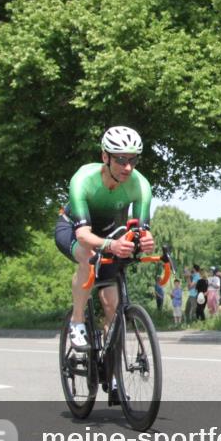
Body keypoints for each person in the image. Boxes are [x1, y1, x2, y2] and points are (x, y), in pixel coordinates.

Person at [54, 126, 154, 402]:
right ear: (105, 156)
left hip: (111, 230)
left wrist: (145, 240)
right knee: (87, 255)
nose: (127, 166)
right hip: (74, 227)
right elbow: (83, 235)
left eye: (133, 159)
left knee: (113, 307)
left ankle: (113, 379)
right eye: (121, 159)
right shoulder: (83, 180)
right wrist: (110, 246)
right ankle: (77, 322)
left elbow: (142, 228)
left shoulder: (140, 185)